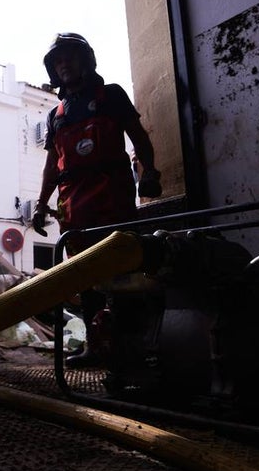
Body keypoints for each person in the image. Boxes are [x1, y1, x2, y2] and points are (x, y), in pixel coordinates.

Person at [31, 33, 162, 368]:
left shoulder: (111, 95)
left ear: (85, 60)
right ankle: (96, 345)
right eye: (57, 60)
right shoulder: (56, 114)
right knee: (83, 276)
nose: (64, 65)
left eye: (70, 57)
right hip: (72, 205)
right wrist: (41, 203)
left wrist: (150, 172)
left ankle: (134, 344)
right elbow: (51, 164)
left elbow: (139, 138)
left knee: (122, 268)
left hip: (111, 196)